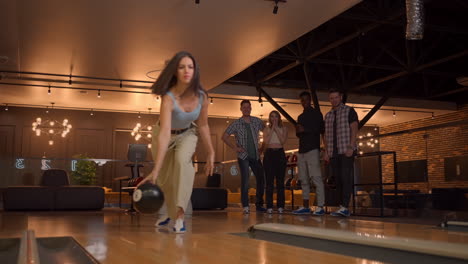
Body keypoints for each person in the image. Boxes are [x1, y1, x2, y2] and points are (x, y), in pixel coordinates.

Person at [138, 51, 215, 233]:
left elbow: (203, 125)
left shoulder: (203, 96)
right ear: (175, 72)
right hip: (164, 134)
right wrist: (155, 171)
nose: (186, 70)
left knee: (183, 165)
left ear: (195, 71)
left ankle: (179, 216)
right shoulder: (168, 97)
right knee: (164, 178)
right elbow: (164, 133)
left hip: (187, 134)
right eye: (181, 67)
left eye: (190, 67)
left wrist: (211, 152)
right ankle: (167, 214)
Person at [222, 100, 265, 214]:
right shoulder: (236, 123)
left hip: (255, 155)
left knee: (261, 179)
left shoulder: (257, 121)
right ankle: (245, 206)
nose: (246, 109)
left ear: (251, 108)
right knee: (245, 181)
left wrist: (263, 147)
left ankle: (259, 204)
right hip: (243, 156)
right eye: (244, 107)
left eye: (248, 107)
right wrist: (235, 148)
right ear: (241, 109)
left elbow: (267, 132)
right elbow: (224, 137)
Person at [323, 88, 358, 217]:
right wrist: (326, 151)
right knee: (337, 179)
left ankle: (345, 207)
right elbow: (326, 135)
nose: (333, 100)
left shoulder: (349, 110)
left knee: (345, 177)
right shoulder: (328, 115)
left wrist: (351, 146)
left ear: (341, 97)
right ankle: (341, 207)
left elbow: (354, 128)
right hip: (333, 152)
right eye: (331, 98)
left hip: (346, 150)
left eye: (336, 97)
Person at [292, 91, 326, 216]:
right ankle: (306, 206)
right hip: (302, 151)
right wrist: (299, 131)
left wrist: (304, 129)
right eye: (302, 100)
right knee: (303, 179)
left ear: (310, 100)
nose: (304, 102)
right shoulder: (300, 117)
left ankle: (320, 206)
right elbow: (299, 134)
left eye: (306, 99)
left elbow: (321, 130)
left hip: (313, 149)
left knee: (316, 178)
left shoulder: (317, 114)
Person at [262, 111, 288, 214]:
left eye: (276, 116)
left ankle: (281, 206)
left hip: (280, 154)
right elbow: (267, 142)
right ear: (270, 118)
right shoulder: (266, 129)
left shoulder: (284, 128)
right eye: (272, 117)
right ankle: (269, 206)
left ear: (279, 118)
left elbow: (282, 141)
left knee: (280, 181)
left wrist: (276, 128)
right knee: (269, 182)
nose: (274, 118)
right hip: (269, 154)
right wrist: (272, 128)